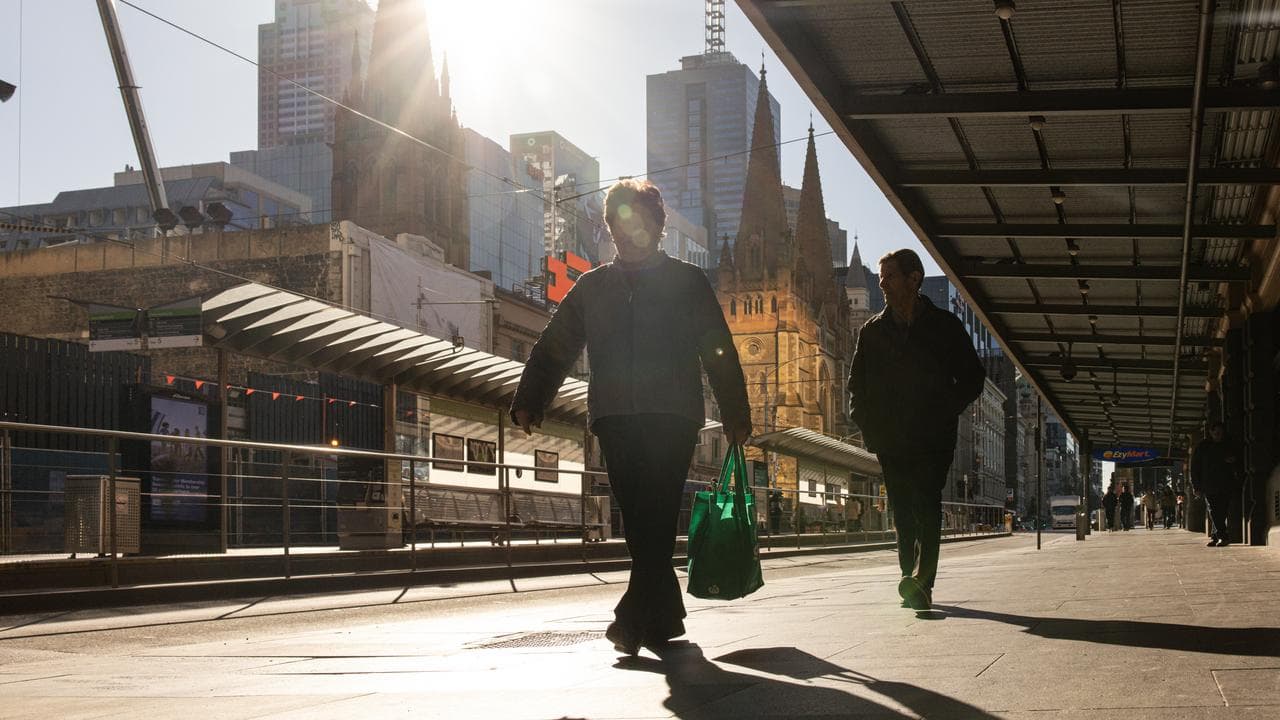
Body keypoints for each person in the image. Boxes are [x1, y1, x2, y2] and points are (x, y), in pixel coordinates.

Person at [510, 179, 751, 656]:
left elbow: (718, 349)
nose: (626, 230)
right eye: (616, 221)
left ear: (658, 225)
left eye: (636, 219)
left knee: (656, 515)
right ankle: (664, 617)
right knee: (641, 523)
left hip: (672, 416)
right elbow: (555, 346)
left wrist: (735, 411)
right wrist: (530, 397)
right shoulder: (592, 286)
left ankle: (629, 618)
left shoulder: (687, 281)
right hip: (615, 417)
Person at [847, 248, 985, 611]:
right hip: (890, 439)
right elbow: (856, 386)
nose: (882, 284)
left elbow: (973, 378)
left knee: (927, 504)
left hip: (932, 437)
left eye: (889, 276)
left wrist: (945, 409)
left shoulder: (945, 326)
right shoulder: (872, 332)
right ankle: (909, 575)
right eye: (881, 277)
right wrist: (868, 426)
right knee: (902, 511)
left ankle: (922, 582)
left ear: (914, 278)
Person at [1190, 421, 1241, 547]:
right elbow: (1195, 467)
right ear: (1211, 432)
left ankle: (1215, 536)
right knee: (1214, 510)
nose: (1218, 435)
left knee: (1222, 511)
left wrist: (1233, 460)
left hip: (1226, 484)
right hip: (1209, 485)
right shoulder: (1203, 447)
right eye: (1216, 433)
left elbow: (1238, 460)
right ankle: (1223, 536)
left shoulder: (1228, 445)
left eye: (1221, 433)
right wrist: (1196, 486)